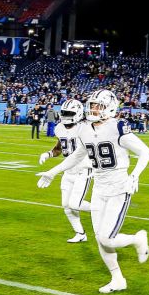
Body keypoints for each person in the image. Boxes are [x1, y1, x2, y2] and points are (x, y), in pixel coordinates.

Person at [37, 89, 149, 293]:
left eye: (98, 105)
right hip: (98, 187)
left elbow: (145, 151)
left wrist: (135, 175)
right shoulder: (85, 130)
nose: (93, 109)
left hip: (118, 186)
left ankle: (137, 239)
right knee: (100, 237)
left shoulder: (117, 127)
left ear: (110, 107)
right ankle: (117, 278)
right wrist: (52, 172)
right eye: (92, 105)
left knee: (107, 238)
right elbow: (76, 156)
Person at [37, 99, 95, 243]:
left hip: (83, 169)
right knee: (66, 205)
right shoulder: (59, 128)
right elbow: (59, 148)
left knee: (75, 203)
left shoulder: (86, 128)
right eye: (64, 113)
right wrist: (48, 154)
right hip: (68, 170)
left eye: (69, 113)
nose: (65, 116)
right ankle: (80, 234)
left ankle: (102, 208)